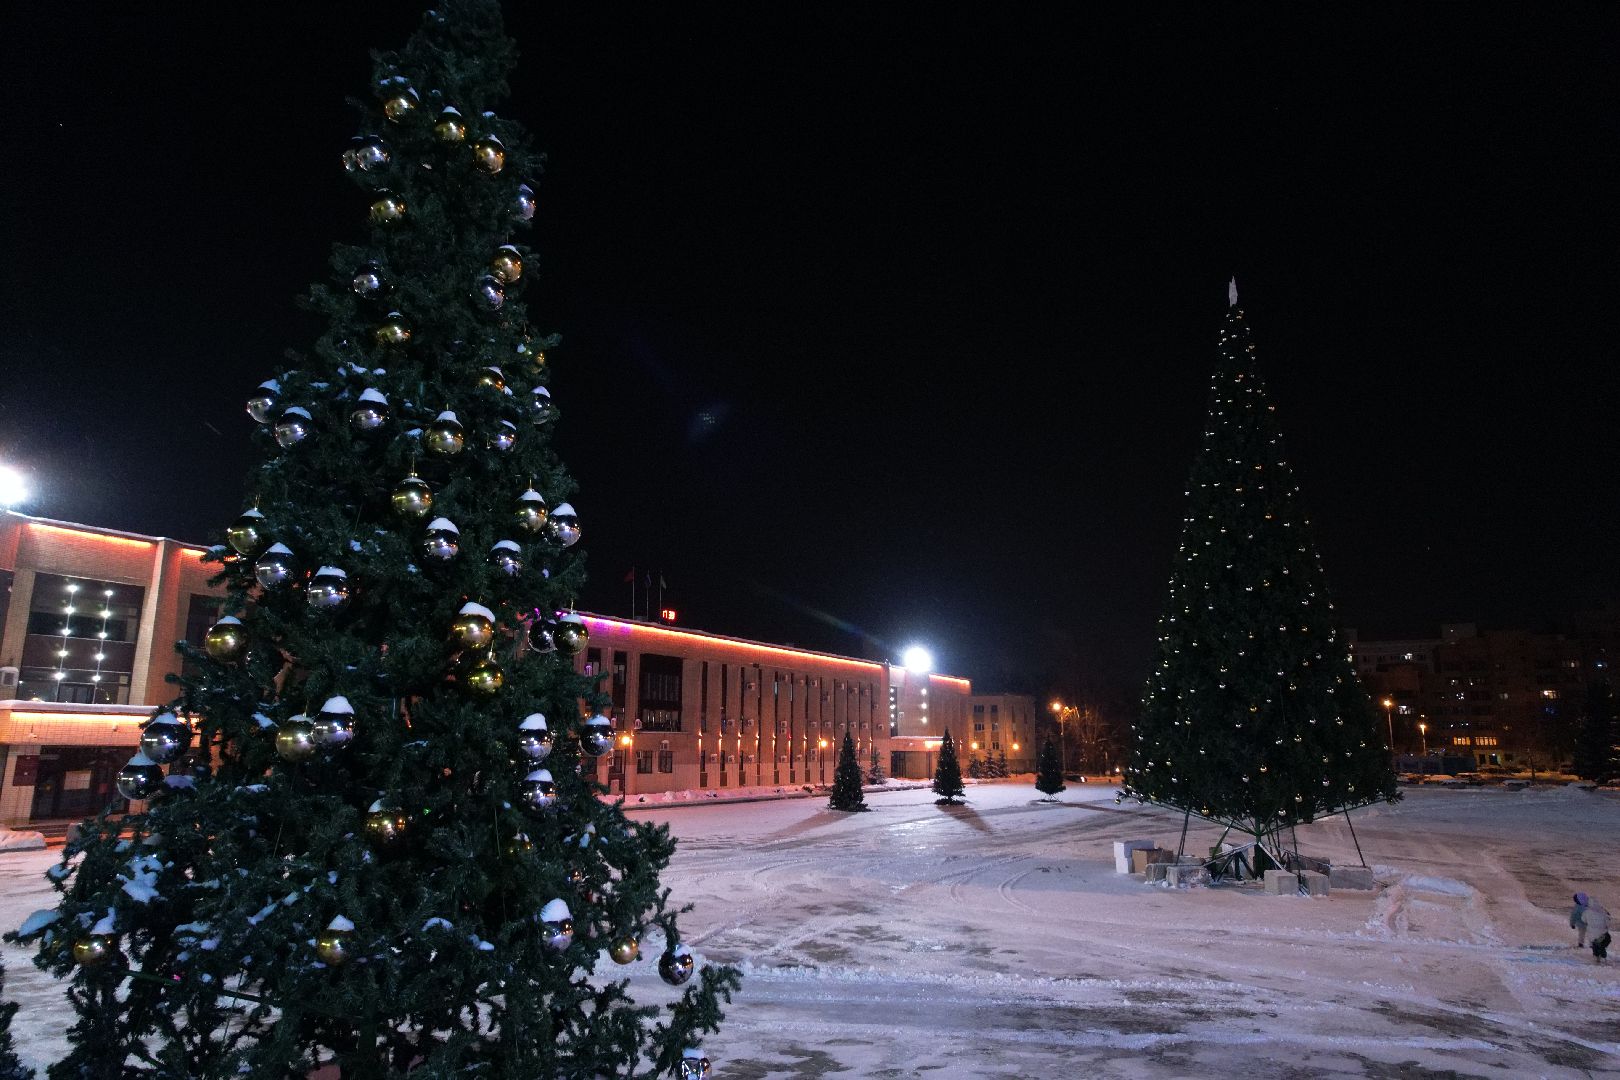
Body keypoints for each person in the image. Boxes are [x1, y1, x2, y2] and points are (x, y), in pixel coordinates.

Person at [1571, 893, 1611, 963]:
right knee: (1602, 943)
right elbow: (1607, 921)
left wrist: (1573, 923)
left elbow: (1583, 919)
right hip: (1603, 933)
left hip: (1592, 933)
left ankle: (1596, 956)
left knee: (1594, 943)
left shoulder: (1587, 912)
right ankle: (1603, 956)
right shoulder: (1602, 911)